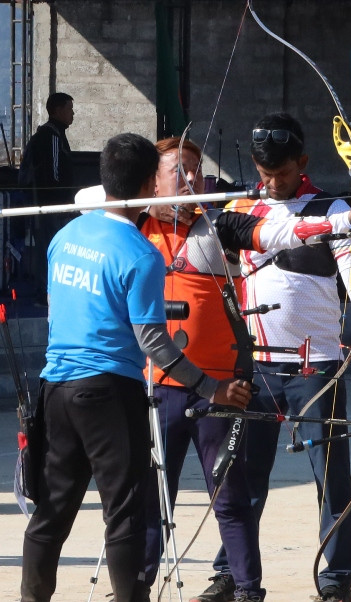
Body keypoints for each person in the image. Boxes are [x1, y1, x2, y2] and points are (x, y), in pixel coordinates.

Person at [20, 133, 251, 602]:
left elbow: (55, 307)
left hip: (55, 387)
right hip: (107, 392)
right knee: (124, 513)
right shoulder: (140, 254)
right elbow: (155, 345)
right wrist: (212, 389)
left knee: (52, 512)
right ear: (149, 183)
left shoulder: (65, 236)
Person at [138, 137, 351, 602]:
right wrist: (140, 200)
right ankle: (146, 583)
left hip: (245, 380)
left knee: (252, 489)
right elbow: (93, 201)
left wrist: (342, 221)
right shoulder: (131, 226)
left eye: (196, 170)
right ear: (149, 181)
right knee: (174, 491)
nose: (192, 180)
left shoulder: (220, 223)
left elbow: (278, 234)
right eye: (178, 171)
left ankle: (321, 580)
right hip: (166, 384)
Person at [226, 112, 351, 602]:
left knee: (331, 478)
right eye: (266, 176)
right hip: (255, 367)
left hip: (316, 365)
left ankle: (335, 579)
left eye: (282, 173)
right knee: (243, 479)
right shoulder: (241, 208)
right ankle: (232, 574)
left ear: (302, 161)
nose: (274, 184)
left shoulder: (334, 207)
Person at [17, 92, 77, 299]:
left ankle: (49, 290)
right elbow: (54, 173)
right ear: (58, 111)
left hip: (51, 206)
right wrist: (63, 201)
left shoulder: (54, 135)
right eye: (69, 109)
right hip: (51, 206)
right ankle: (46, 292)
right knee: (50, 248)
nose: (73, 113)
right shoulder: (51, 136)